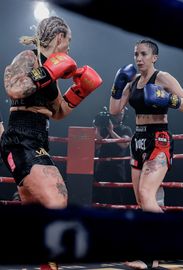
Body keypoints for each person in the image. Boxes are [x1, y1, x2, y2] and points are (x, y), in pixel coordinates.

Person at [0, 16, 102, 270]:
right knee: (57, 199)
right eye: (68, 41)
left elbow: (57, 112)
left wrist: (80, 90)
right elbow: (13, 88)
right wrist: (46, 72)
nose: (69, 47)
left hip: (38, 137)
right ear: (59, 37)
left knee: (37, 213)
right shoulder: (29, 57)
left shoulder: (53, 70)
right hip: (21, 136)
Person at [109, 39, 183, 269]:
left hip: (159, 139)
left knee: (148, 194)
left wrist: (169, 99)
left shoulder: (163, 78)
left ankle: (165, 245)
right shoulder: (133, 81)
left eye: (143, 54)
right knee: (141, 199)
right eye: (136, 54)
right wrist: (117, 85)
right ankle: (154, 256)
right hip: (138, 140)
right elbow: (114, 110)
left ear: (154, 57)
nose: (138, 58)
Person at [93, 106, 133, 204]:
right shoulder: (103, 129)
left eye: (121, 114)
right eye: (117, 114)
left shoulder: (125, 129)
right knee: (99, 196)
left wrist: (111, 131)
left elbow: (124, 144)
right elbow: (96, 146)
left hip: (117, 167)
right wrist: (97, 128)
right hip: (102, 165)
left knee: (117, 197)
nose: (119, 116)